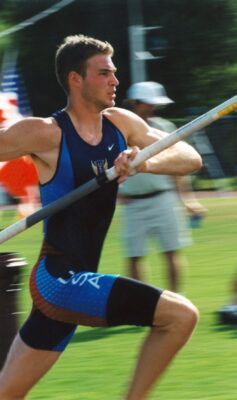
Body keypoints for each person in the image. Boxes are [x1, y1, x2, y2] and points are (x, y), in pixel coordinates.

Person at [0, 34, 202, 400]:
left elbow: (190, 157)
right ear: (76, 79)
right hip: (59, 281)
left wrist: (144, 162)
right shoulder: (45, 133)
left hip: (72, 285)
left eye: (114, 73)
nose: (115, 81)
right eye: (104, 73)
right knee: (180, 315)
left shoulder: (120, 124)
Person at [119, 81, 205, 292]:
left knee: (172, 251)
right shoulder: (117, 128)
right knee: (134, 256)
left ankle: (175, 301)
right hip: (132, 204)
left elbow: (178, 167)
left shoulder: (165, 128)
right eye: (149, 103)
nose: (153, 108)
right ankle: (144, 305)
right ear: (135, 103)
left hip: (163, 198)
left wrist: (187, 200)